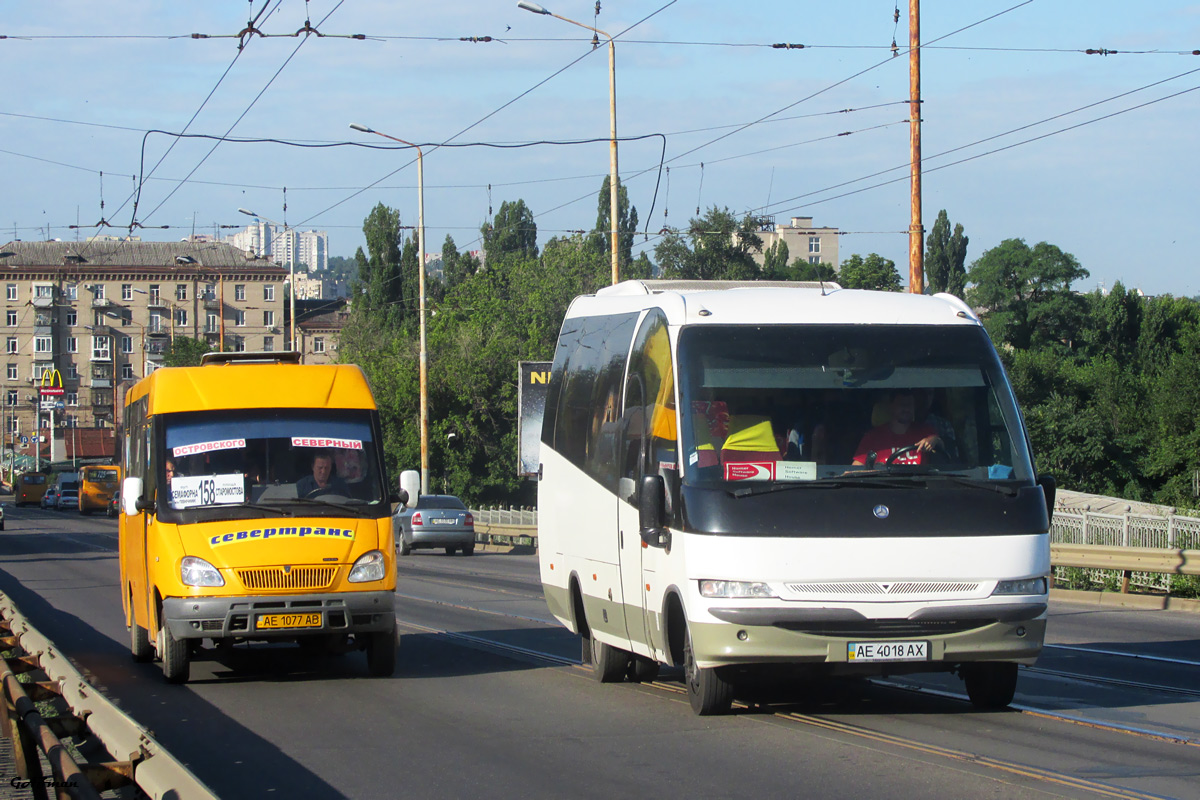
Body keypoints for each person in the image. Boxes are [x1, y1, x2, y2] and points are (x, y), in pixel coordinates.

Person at [853, 389, 943, 467]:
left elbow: (941, 450)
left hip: (920, 484)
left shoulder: (926, 432)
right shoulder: (872, 437)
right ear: (892, 406)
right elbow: (856, 467)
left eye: (909, 404)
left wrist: (934, 440)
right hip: (884, 485)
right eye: (902, 404)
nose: (906, 408)